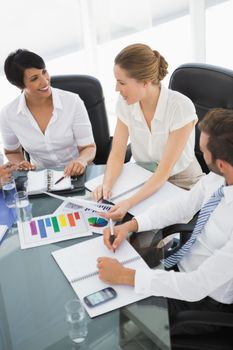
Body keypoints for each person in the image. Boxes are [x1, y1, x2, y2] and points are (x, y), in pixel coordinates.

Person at [97, 108, 233, 334]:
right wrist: (131, 225)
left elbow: (197, 285)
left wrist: (124, 275)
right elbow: (183, 205)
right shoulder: (219, 177)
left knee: (116, 314)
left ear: (221, 164)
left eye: (202, 151)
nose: (199, 152)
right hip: (181, 261)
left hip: (204, 300)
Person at [92, 43, 203, 221]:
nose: (116, 89)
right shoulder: (125, 104)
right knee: (114, 221)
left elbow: (164, 171)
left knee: (144, 234)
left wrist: (129, 202)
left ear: (145, 82)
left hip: (182, 182)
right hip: (146, 177)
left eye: (122, 83)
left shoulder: (180, 107)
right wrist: (107, 185)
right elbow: (118, 153)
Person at [0, 49, 96, 176]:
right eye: (34, 79)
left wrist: (81, 161)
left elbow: (88, 147)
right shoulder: (8, 114)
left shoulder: (72, 101)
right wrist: (20, 163)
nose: (45, 81)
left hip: (80, 174)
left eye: (44, 72)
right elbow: (12, 152)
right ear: (20, 85)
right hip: (41, 179)